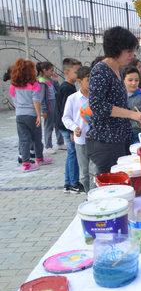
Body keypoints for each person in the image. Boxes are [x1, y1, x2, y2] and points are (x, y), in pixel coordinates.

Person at [87, 26, 141, 177]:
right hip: (106, 141)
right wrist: (131, 114)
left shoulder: (119, 70)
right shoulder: (100, 71)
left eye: (132, 51)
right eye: (128, 51)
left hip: (120, 138)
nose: (132, 55)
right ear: (116, 49)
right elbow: (97, 105)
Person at [9, 59, 52, 172]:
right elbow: (36, 100)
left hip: (19, 115)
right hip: (32, 115)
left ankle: (26, 164)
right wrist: (39, 115)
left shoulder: (13, 85)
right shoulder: (34, 84)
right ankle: (39, 159)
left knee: (24, 140)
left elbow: (14, 100)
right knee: (37, 138)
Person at [62, 66, 92, 192]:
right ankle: (88, 194)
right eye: (88, 80)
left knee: (96, 170)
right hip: (82, 140)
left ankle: (96, 194)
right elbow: (66, 118)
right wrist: (75, 128)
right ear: (79, 81)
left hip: (98, 140)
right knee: (85, 172)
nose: (92, 83)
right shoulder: (73, 98)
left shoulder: (97, 97)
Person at [57, 58, 83, 193]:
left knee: (71, 154)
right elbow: (65, 112)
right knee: (73, 154)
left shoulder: (69, 86)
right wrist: (72, 130)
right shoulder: (67, 88)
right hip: (68, 128)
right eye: (76, 71)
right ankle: (74, 183)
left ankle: (68, 183)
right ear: (67, 72)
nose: (79, 74)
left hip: (67, 127)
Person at [37, 61, 63, 154]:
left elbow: (58, 91)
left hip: (54, 103)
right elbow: (41, 98)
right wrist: (44, 109)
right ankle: (48, 146)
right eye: (51, 71)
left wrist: (56, 81)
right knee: (49, 126)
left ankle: (60, 142)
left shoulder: (50, 80)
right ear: (44, 70)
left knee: (58, 123)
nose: (53, 73)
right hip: (48, 105)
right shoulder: (40, 81)